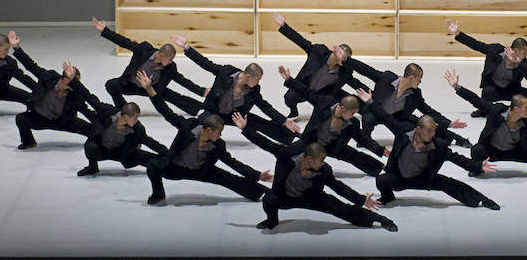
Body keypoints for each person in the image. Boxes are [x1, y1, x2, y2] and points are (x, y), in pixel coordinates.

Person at [233, 113, 397, 232]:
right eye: (321, 159)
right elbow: (266, 144)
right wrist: (246, 129)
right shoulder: (287, 157)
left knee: (344, 210)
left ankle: (380, 220)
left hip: (312, 198)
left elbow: (339, 187)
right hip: (284, 196)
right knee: (269, 200)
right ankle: (271, 221)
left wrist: (361, 200)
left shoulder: (324, 170)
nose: (324, 163)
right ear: (309, 159)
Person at [136, 71, 272, 206]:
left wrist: (257, 175)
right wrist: (149, 89)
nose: (220, 136)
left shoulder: (217, 145)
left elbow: (233, 163)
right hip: (175, 167)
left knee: (229, 179)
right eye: (218, 132)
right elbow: (165, 111)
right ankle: (158, 194)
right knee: (153, 165)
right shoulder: (187, 127)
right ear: (207, 130)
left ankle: (266, 194)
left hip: (200, 171)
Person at [354, 89, 500, 211]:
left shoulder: (438, 146)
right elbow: (385, 117)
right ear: (418, 129)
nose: (432, 134)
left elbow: (458, 159)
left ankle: (483, 200)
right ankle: (388, 196)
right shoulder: (403, 132)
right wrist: (370, 102)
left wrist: (478, 165)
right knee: (381, 180)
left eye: (434, 131)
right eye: (428, 131)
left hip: (423, 179)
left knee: (450, 184)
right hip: (399, 177)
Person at [171, 35, 301, 143]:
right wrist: (187, 48)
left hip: (235, 116)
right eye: (258, 79)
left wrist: (284, 120)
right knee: (196, 126)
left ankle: (288, 138)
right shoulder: (226, 72)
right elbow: (206, 64)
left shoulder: (254, 90)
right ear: (249, 76)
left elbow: (265, 107)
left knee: (259, 122)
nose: (258, 83)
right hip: (213, 112)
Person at [278, 65, 389, 176]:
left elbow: (363, 139)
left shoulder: (352, 123)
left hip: (332, 146)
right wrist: (289, 80)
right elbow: (307, 92)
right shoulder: (324, 103)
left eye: (354, 114)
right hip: (311, 141)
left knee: (354, 155)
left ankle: (382, 168)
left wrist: (381, 150)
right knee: (287, 153)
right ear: (341, 108)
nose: (352, 116)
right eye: (351, 113)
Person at [92, 17, 207, 115]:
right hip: (131, 84)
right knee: (111, 85)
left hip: (152, 89)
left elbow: (183, 81)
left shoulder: (170, 67)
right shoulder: (144, 50)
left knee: (173, 96)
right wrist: (105, 30)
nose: (171, 61)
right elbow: (124, 42)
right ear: (161, 55)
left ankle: (200, 108)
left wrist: (202, 91)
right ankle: (124, 109)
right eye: (170, 59)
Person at [9, 31, 95, 149]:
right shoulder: (49, 77)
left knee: (92, 130)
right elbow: (31, 66)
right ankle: (29, 142)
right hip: (40, 118)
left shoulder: (76, 95)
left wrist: (104, 123)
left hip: (62, 121)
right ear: (65, 80)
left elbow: (87, 111)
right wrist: (16, 47)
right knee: (21, 119)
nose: (78, 85)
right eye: (76, 82)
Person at [271, 13, 366, 118]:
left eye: (346, 59)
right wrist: (284, 26)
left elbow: (354, 83)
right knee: (289, 97)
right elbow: (301, 41)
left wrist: (371, 97)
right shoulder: (319, 51)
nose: (344, 60)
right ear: (335, 50)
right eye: (342, 56)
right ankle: (294, 112)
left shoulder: (345, 69)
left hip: (324, 94)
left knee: (350, 102)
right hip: (304, 88)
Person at [445, 18, 527, 118]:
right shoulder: (495, 50)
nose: (526, 55)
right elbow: (477, 45)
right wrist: (458, 33)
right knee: (486, 92)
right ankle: (483, 109)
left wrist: (515, 63)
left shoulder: (524, 63)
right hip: (494, 89)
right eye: (524, 52)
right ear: (516, 50)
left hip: (512, 90)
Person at [71, 85, 169, 177]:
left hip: (122, 153)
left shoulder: (137, 129)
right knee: (90, 147)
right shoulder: (107, 112)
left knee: (148, 158)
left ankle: (169, 166)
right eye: (135, 118)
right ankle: (92, 168)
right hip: (103, 148)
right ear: (126, 117)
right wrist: (72, 81)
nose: (137, 121)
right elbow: (88, 96)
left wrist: (169, 154)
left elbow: (150, 142)